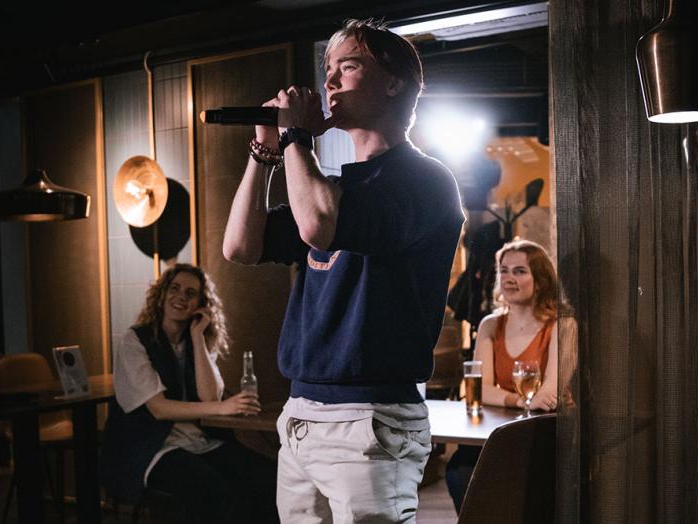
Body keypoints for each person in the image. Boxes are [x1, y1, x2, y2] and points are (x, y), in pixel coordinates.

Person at [222, 18, 464, 523]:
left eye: (347, 67)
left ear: (395, 83)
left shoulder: (426, 180)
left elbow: (317, 225)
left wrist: (295, 137)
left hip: (370, 418)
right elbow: (240, 246)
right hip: (302, 413)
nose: (328, 82)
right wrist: (264, 151)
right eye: (327, 68)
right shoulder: (333, 186)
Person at [100, 264, 278, 523]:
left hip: (198, 440)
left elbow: (209, 398)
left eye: (191, 293)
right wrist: (224, 408)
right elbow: (159, 409)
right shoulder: (134, 341)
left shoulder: (196, 342)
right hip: (151, 447)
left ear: (200, 304)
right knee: (215, 491)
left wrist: (197, 338)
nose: (181, 297)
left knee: (267, 478)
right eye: (174, 289)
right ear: (162, 296)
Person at [445, 239, 561, 513]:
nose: (509, 278)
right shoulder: (490, 325)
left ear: (541, 279)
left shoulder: (561, 325)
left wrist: (517, 399)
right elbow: (480, 389)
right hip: (502, 431)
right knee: (460, 469)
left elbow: (549, 394)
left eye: (520, 271)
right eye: (504, 270)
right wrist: (521, 401)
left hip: (545, 435)